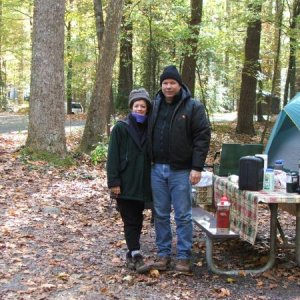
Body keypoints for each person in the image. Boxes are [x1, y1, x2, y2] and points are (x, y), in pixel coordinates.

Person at [148, 65, 211, 272]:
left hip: (181, 170)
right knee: (160, 213)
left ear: (179, 84)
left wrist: (196, 167)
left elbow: (202, 137)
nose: (168, 86)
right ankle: (163, 254)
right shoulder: (155, 105)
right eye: (165, 83)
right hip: (157, 169)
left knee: (183, 214)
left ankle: (184, 256)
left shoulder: (193, 107)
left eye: (172, 83)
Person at [106, 88, 152, 274]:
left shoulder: (151, 127)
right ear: (131, 107)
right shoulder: (121, 128)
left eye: (143, 106)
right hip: (125, 182)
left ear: (147, 109)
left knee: (138, 218)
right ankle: (136, 254)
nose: (140, 109)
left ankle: (132, 252)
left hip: (143, 183)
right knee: (130, 219)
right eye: (136, 105)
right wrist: (114, 182)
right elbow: (112, 157)